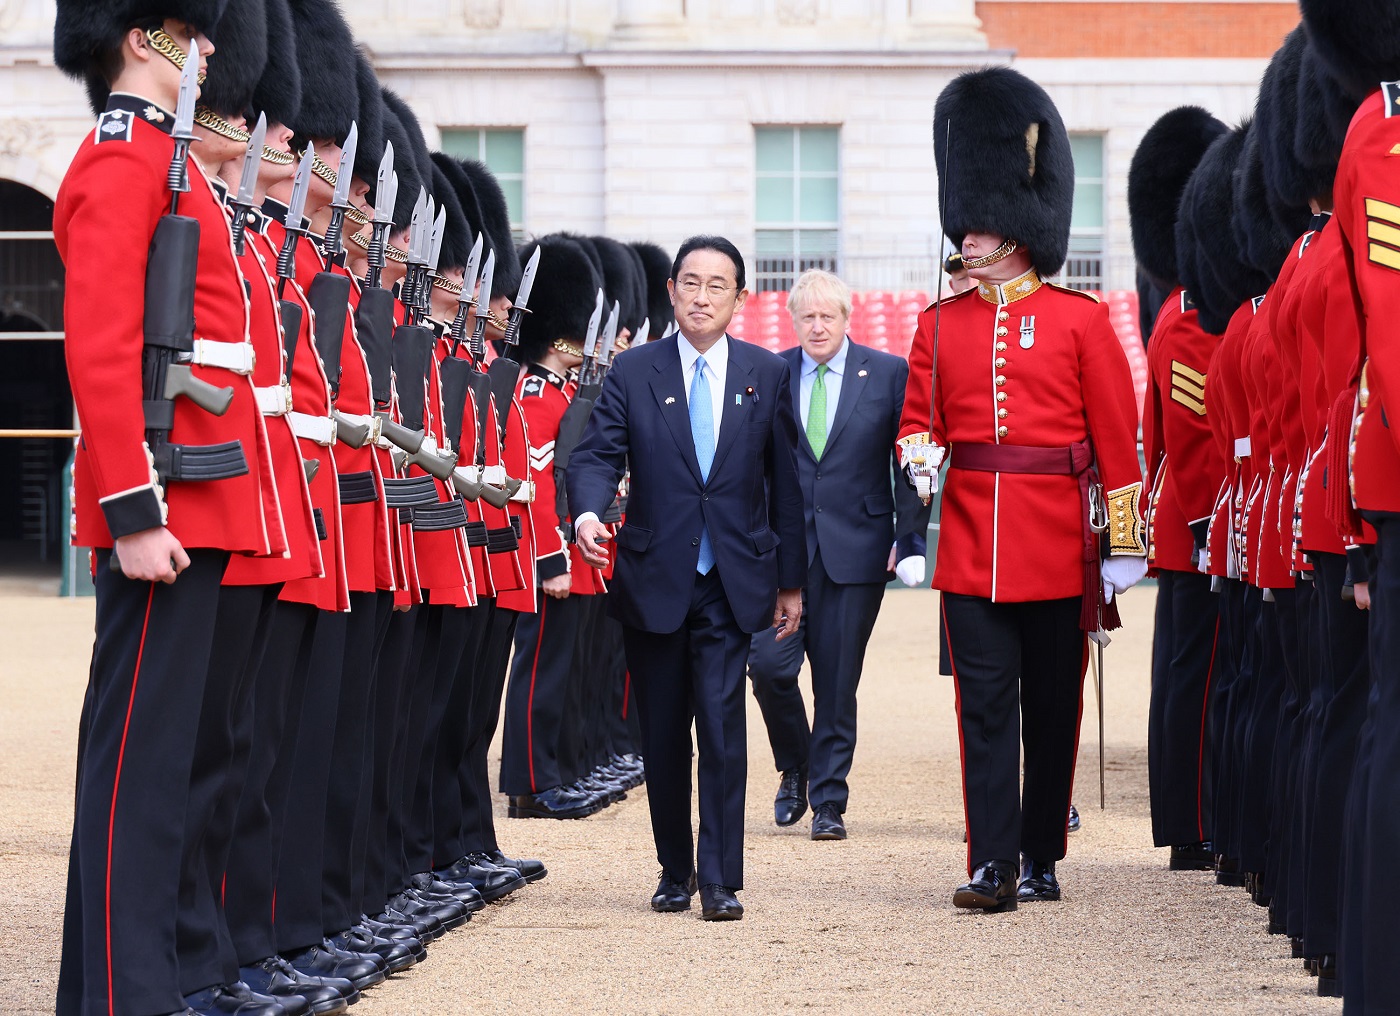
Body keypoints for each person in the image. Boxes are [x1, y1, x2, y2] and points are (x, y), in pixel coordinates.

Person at [51, 3, 289, 1012]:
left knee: (204, 751)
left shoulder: (174, 159)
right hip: (166, 500)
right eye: (195, 37)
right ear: (145, 38)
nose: (210, 55)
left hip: (213, 491)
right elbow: (101, 339)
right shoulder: (123, 156)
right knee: (143, 766)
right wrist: (132, 505)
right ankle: (117, 989)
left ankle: (187, 964)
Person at [899, 68, 1146, 912]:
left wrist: (1125, 547)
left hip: (1058, 546)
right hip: (971, 546)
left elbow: (1120, 442)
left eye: (979, 225)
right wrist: (919, 456)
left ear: (1016, 228)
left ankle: (1042, 852)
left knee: (1051, 711)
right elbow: (914, 421)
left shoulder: (1080, 321)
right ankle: (990, 861)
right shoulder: (938, 326)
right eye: (962, 223)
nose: (966, 237)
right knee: (983, 714)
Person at [568, 236, 807, 921]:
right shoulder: (634, 370)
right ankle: (675, 869)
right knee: (666, 734)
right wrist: (586, 514)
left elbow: (784, 483)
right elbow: (595, 455)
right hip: (653, 577)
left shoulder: (767, 372)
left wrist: (790, 582)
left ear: (740, 298)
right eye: (691, 283)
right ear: (671, 290)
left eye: (718, 285)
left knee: (723, 728)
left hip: (731, 581)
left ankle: (720, 876)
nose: (702, 297)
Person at [746, 268, 929, 840]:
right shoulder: (771, 373)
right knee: (769, 668)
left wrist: (912, 537)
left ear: (848, 319)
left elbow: (910, 462)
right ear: (793, 319)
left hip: (858, 549)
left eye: (828, 316)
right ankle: (796, 764)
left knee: (836, 678)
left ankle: (828, 801)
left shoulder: (889, 373)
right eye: (808, 316)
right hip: (784, 552)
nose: (817, 326)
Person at [1128, 105, 1229, 872]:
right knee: (1198, 674)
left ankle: (1194, 816)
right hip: (1206, 524)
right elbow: (1192, 445)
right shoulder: (1195, 319)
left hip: (1203, 525)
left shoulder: (1183, 310)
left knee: (1189, 668)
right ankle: (1192, 823)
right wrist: (1205, 524)